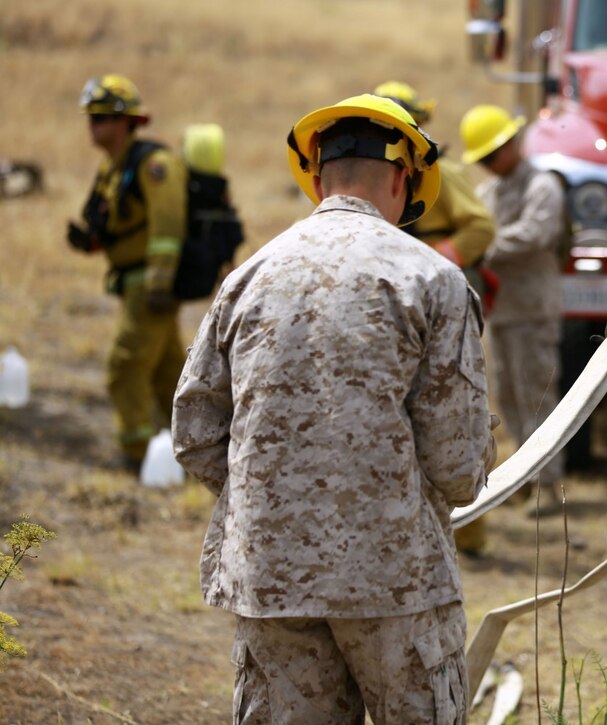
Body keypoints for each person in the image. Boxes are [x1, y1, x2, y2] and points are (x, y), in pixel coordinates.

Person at [172, 93, 495, 723]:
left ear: (316, 178)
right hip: (394, 582)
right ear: (404, 177)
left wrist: (278, 498)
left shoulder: (248, 277)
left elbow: (195, 433)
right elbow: (457, 461)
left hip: (269, 579)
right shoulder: (429, 279)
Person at [375, 80, 496, 556]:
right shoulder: (373, 177)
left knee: (456, 405)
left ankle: (471, 534)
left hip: (438, 297)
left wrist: (429, 257)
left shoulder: (442, 172)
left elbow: (481, 225)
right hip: (392, 301)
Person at [67, 74, 188, 471]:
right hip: (133, 283)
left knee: (126, 366)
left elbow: (167, 229)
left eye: (101, 116)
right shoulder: (115, 168)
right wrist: (92, 242)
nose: (93, 125)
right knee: (168, 373)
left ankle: (137, 456)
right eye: (91, 116)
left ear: (126, 121)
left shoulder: (155, 166)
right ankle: (185, 452)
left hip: (149, 287)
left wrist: (159, 284)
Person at [460, 103, 567, 515]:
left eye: (492, 155)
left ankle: (550, 483)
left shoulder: (542, 186)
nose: (488, 165)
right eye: (482, 159)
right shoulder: (487, 194)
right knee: (509, 398)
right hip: (501, 313)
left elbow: (536, 233)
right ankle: (525, 475)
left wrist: (482, 247)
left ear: (512, 144)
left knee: (538, 397)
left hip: (533, 311)